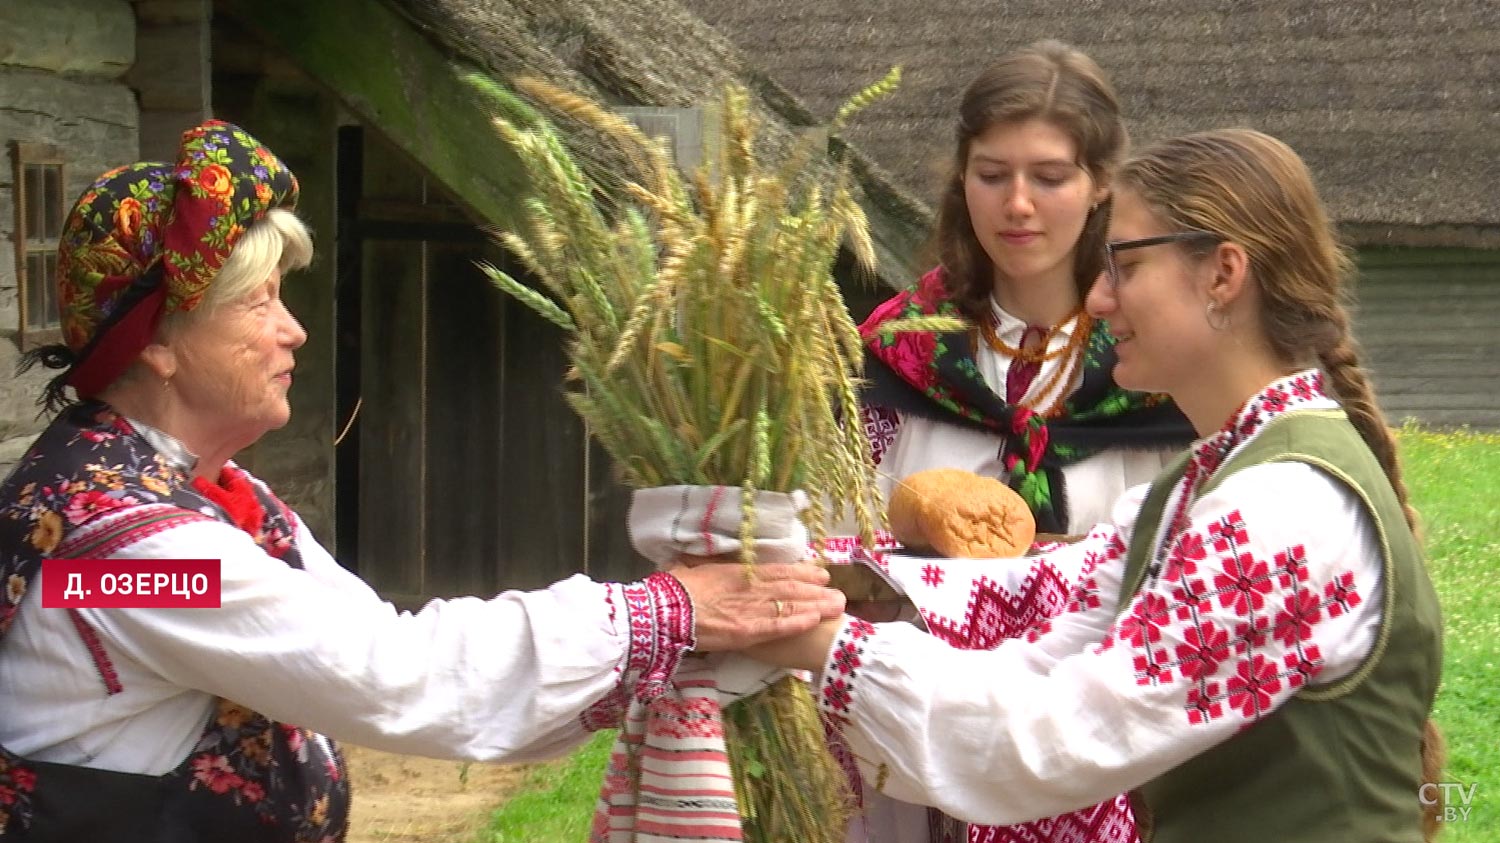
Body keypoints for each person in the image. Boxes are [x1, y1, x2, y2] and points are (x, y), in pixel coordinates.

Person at [0, 120, 845, 843]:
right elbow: (396, 672)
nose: (293, 330)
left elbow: (373, 636)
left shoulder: (196, 500)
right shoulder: (121, 557)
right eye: (257, 304)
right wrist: (669, 610)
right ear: (159, 342)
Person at [760, 128, 1444, 843]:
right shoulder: (1196, 487)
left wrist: (829, 643)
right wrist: (818, 617)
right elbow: (1030, 669)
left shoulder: (1283, 508)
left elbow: (1056, 740)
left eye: (1123, 265)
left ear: (1223, 274)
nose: (1098, 297)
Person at [833, 41, 1192, 843]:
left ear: (1101, 183)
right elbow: (836, 529)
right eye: (992, 175)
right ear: (962, 180)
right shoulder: (898, 352)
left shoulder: (1157, 367)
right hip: (914, 755)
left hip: (1111, 740)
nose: (1018, 204)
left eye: (1050, 176)